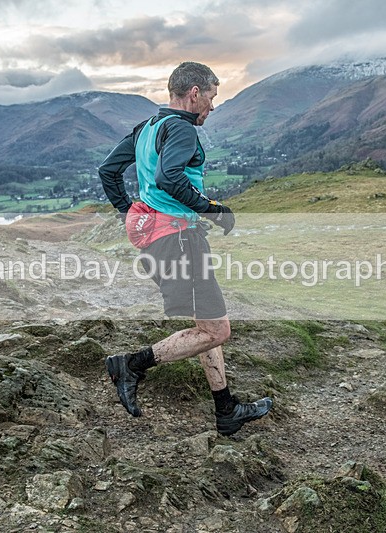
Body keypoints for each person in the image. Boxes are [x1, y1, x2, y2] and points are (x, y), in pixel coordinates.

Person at [98, 61, 272, 436]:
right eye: (211, 97)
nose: (212, 105)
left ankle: (226, 409)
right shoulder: (181, 129)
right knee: (217, 330)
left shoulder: (147, 128)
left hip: (159, 237)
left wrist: (129, 211)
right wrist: (213, 210)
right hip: (179, 239)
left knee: (205, 323)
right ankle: (131, 365)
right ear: (195, 93)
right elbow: (169, 177)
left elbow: (108, 171)